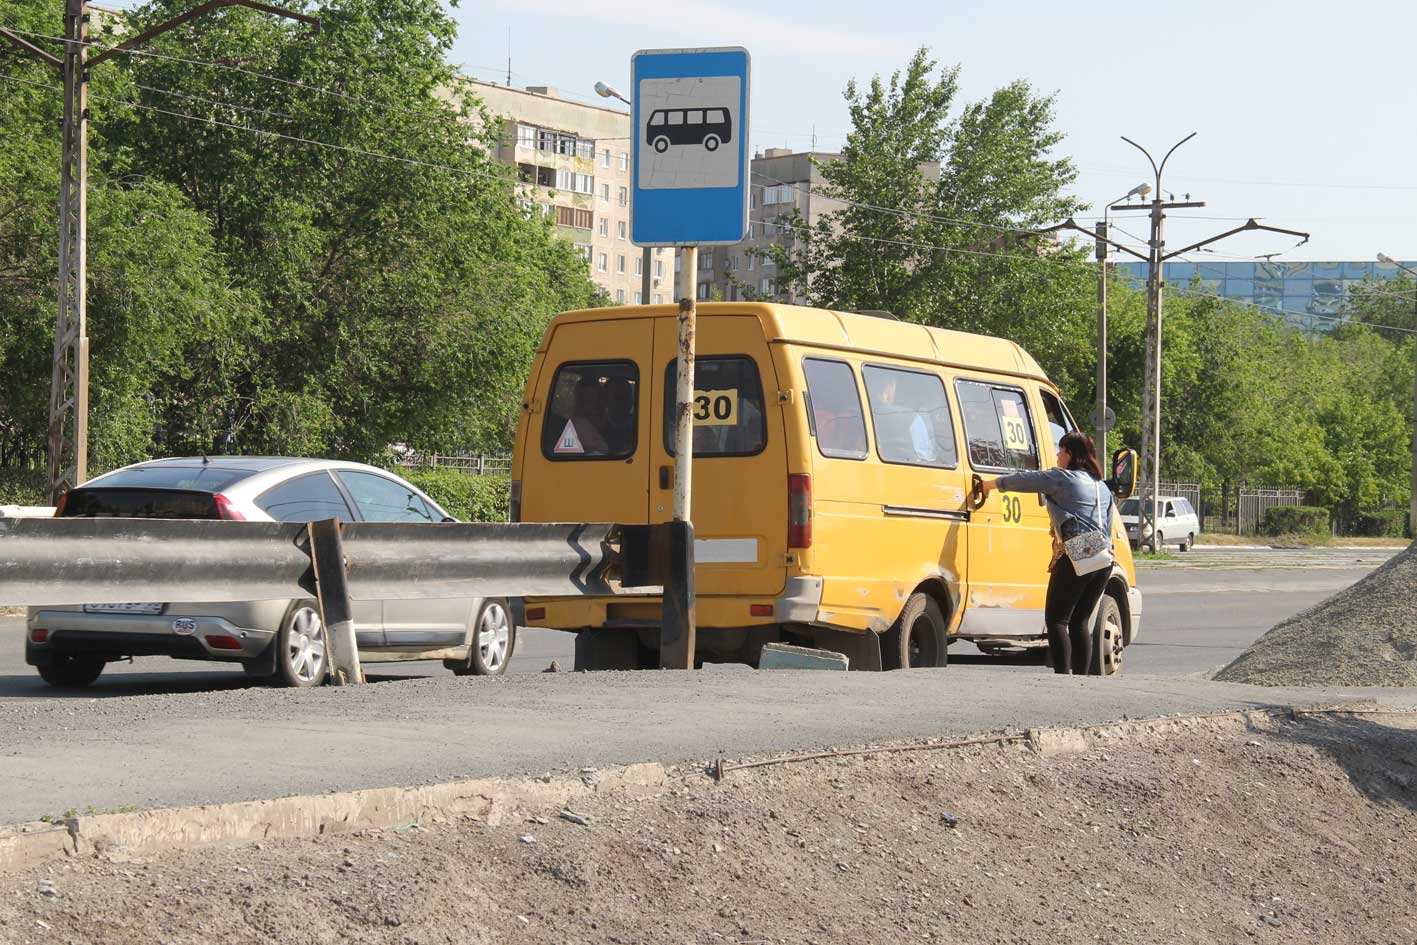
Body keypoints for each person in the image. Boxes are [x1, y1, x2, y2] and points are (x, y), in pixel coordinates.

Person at [979, 430, 1115, 675]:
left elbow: (1026, 480)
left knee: (1057, 620)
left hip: (1077, 554)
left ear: (1070, 454)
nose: (1057, 455)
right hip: (1104, 559)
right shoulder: (1102, 488)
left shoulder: (1063, 478)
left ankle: (1063, 679)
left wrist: (992, 485)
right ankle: (1082, 681)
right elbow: (1108, 525)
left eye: (1060, 450)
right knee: (1080, 621)